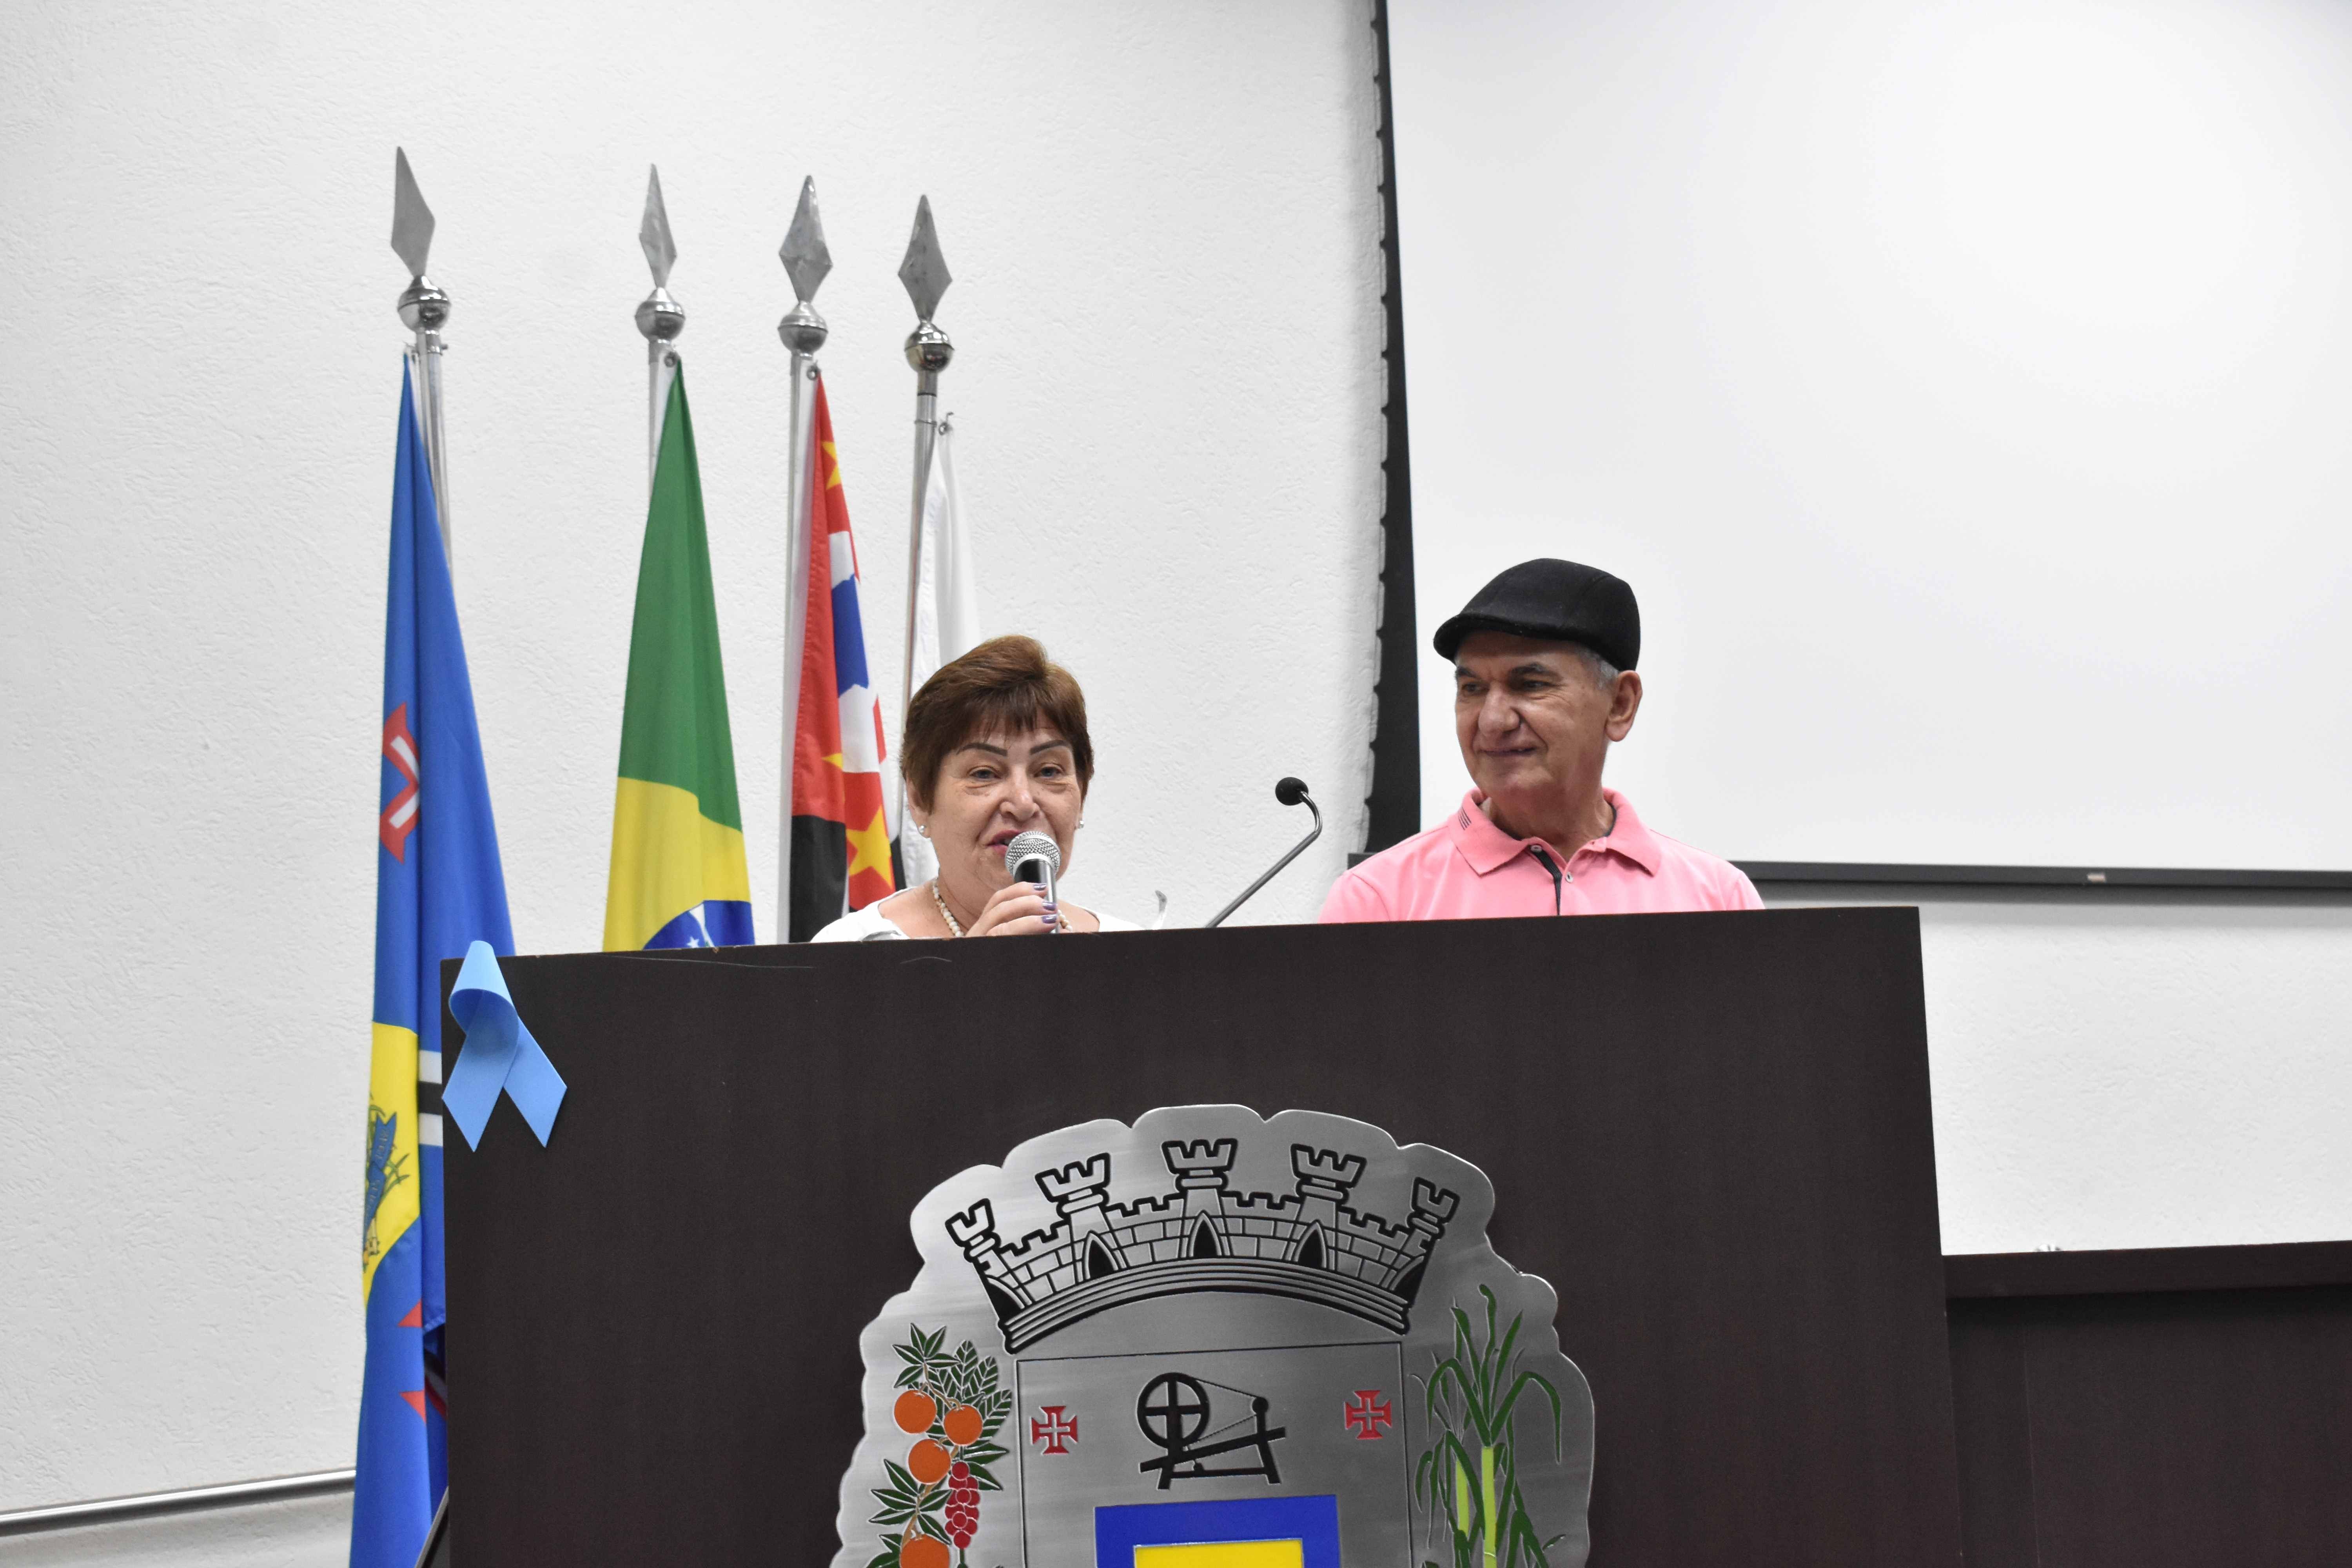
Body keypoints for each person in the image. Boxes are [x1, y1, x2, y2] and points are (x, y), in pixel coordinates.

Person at [1322, 557, 1760, 922]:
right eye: (1472, 688)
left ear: (1620, 704)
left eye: (1530, 685)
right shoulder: (1378, 900)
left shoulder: (1719, 899)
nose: (1492, 721)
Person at [811, 635, 1138, 940]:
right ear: (920, 799)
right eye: (984, 774)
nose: (1023, 803)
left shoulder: (1133, 953)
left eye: (1049, 771)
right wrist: (972, 972)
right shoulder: (849, 951)